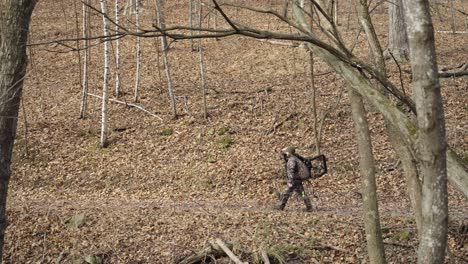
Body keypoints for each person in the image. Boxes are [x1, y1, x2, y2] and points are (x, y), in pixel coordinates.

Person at [276, 146, 313, 212]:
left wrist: (290, 181)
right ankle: (309, 206)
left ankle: (281, 207)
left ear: (290, 153)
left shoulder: (291, 160)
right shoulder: (295, 158)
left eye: (287, 152)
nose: (286, 153)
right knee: (302, 193)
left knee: (287, 193)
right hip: (297, 180)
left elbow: (291, 171)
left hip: (294, 180)